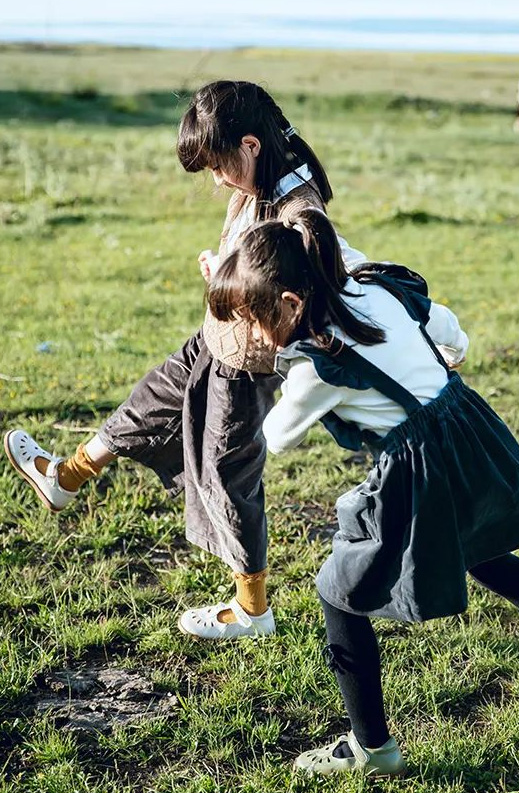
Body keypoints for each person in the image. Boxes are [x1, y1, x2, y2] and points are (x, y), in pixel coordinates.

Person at [206, 207, 519, 777]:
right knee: (480, 553)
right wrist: (439, 358)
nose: (249, 333)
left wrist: (280, 364)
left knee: (340, 590)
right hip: (461, 422)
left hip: (417, 463)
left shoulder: (318, 365)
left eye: (251, 318)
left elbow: (280, 436)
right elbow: (447, 327)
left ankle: (372, 749)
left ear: (291, 304)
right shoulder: (374, 289)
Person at [3, 80, 366, 640]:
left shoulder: (298, 208)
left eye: (219, 165)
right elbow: (259, 268)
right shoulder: (263, 177)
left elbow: (308, 290)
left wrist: (241, 287)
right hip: (215, 337)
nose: (216, 179)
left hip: (247, 364)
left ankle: (253, 610)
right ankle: (64, 479)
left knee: (227, 474)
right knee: (146, 404)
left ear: (249, 145)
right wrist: (225, 268)